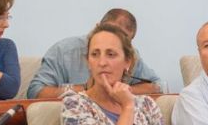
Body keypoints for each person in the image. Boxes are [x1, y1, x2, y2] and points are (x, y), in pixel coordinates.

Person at [60, 23, 177, 125]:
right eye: (95, 54)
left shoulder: (146, 105)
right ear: (88, 62)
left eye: (111, 54)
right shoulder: (74, 105)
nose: (102, 62)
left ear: (127, 62)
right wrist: (128, 107)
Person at [28, 8, 162, 98]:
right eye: (108, 31)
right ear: (97, 27)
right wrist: (88, 89)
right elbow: (35, 91)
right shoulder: (64, 51)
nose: (112, 39)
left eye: (122, 38)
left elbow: (158, 86)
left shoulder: (129, 55)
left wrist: (124, 90)